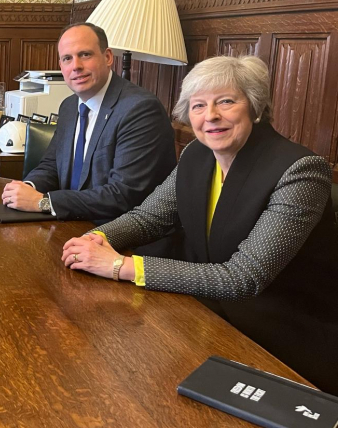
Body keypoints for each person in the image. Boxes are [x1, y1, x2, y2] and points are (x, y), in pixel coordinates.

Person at [61, 56, 338, 393]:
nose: (210, 116)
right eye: (198, 105)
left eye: (226, 101)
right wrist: (95, 239)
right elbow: (148, 217)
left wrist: (120, 266)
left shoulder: (300, 171)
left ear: (254, 107)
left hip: (281, 339)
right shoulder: (197, 153)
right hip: (206, 314)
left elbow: (243, 278)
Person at [2, 22, 175, 223]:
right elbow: (51, 166)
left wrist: (44, 202)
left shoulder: (140, 109)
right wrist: (28, 188)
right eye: (67, 58)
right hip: (73, 225)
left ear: (108, 57)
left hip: (121, 236)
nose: (76, 66)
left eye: (85, 54)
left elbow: (124, 195)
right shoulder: (69, 106)